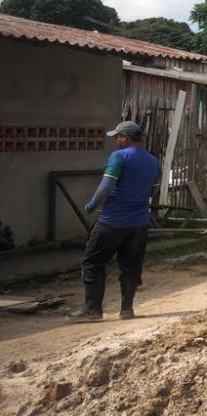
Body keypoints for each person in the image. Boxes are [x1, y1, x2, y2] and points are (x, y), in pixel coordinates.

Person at [68, 121, 160, 323]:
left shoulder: (119, 157)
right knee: (130, 266)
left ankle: (92, 309)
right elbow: (152, 190)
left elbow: (106, 187)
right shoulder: (153, 161)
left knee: (92, 262)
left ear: (125, 137)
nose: (116, 140)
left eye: (117, 137)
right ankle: (127, 309)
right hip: (139, 224)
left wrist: (91, 205)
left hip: (112, 221)